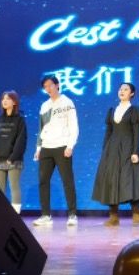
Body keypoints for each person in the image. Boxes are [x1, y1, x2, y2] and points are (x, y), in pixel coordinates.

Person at [92, 83, 139, 225]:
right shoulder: (112, 110)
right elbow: (108, 132)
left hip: (128, 147)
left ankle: (136, 212)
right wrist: (105, 150)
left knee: (131, 178)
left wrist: (135, 151)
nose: (122, 91)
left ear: (132, 94)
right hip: (112, 148)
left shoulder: (134, 111)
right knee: (112, 179)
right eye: (120, 89)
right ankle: (113, 216)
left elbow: (137, 133)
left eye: (126, 89)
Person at [33, 75, 79, 227]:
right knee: (43, 181)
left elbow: (74, 125)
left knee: (67, 180)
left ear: (57, 85)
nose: (48, 89)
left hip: (62, 146)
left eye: (50, 85)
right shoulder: (44, 105)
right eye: (45, 86)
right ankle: (45, 215)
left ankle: (72, 215)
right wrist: (38, 148)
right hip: (46, 147)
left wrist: (70, 145)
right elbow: (41, 128)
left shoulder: (67, 102)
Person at [0, 90, 28, 214]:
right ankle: (0, 213)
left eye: (8, 99)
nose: (4, 101)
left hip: (13, 160)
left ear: (14, 102)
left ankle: (15, 214)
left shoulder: (20, 120)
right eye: (3, 99)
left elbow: (21, 140)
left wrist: (13, 157)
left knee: (14, 186)